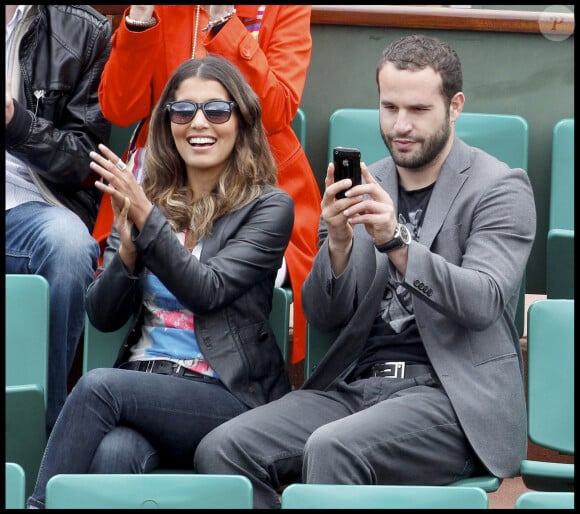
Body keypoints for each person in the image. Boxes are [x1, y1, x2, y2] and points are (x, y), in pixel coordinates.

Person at [194, 34, 537, 509]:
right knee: (221, 450)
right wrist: (336, 243)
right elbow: (323, 314)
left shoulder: (499, 188)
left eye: (418, 110)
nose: (400, 125)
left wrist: (395, 240)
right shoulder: (365, 182)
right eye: (389, 107)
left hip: (448, 399)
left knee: (332, 448)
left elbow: (482, 301)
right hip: (357, 386)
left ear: (454, 106)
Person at [26, 54, 294, 509]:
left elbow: (208, 290)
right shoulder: (147, 199)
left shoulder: (268, 208)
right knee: (113, 454)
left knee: (96, 386)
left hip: (226, 395)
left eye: (216, 110)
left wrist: (147, 221)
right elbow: (102, 315)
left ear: (241, 120)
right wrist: (128, 254)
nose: (198, 123)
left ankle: (36, 506)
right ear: (168, 123)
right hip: (143, 388)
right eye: (183, 111)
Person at [98, 4, 322, 365]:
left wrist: (224, 22)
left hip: (253, 188)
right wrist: (140, 15)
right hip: (164, 179)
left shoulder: (284, 8)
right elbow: (119, 109)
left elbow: (278, 110)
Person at [5, 5, 112, 435]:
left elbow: (85, 162)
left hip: (33, 210)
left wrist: (15, 121)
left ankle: (45, 439)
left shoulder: (83, 28)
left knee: (69, 245)